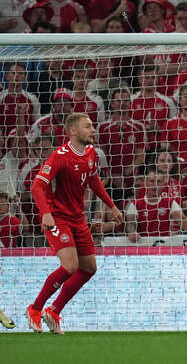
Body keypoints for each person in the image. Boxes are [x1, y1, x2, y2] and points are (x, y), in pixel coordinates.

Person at [26, 113, 123, 335]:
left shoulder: (91, 154)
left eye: (92, 126)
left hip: (78, 219)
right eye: (88, 126)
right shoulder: (59, 156)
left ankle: (54, 310)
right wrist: (46, 214)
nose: (93, 130)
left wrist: (111, 206)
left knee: (89, 268)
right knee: (70, 266)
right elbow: (37, 187)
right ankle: (35, 308)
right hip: (59, 218)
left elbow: (92, 179)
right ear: (73, 131)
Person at [125, 167, 187, 241]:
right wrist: (132, 232)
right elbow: (131, 223)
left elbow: (182, 219)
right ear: (146, 183)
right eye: (152, 181)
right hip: (143, 246)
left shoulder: (170, 202)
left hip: (164, 246)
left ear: (163, 185)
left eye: (159, 181)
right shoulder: (135, 204)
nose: (155, 185)